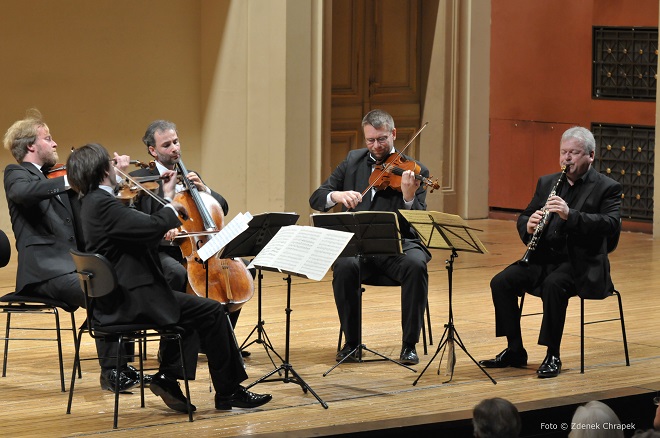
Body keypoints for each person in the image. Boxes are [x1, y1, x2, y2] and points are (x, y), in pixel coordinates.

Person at [66, 143, 271, 412]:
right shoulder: (102, 204)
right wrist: (172, 206)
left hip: (123, 296)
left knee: (191, 314)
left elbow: (134, 230)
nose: (115, 166)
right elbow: (151, 225)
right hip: (132, 299)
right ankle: (228, 391)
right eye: (110, 163)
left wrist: (161, 201)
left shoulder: (94, 201)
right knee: (211, 311)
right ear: (103, 170)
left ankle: (168, 378)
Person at [2, 109, 142, 392]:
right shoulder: (16, 174)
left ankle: (121, 364)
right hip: (44, 273)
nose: (54, 144)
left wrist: (112, 178)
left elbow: (96, 211)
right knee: (102, 292)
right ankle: (111, 372)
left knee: (123, 285)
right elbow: (23, 194)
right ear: (31, 146)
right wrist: (71, 179)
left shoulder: (55, 180)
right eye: (48, 138)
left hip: (72, 267)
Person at [479, 126, 621, 378]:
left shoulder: (607, 187)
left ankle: (552, 354)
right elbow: (524, 215)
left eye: (574, 153)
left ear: (590, 155)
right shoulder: (548, 182)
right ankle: (515, 349)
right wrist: (529, 225)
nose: (567, 158)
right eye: (563, 152)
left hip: (582, 264)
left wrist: (570, 215)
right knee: (501, 282)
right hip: (543, 258)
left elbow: (611, 225)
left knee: (554, 286)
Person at [309, 109, 432, 365]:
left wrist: (409, 197)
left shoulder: (414, 171)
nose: (375, 146)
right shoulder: (353, 160)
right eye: (370, 140)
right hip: (359, 247)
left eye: (382, 139)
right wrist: (338, 196)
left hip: (397, 247)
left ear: (394, 134)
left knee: (416, 264)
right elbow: (318, 197)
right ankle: (352, 343)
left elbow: (419, 224)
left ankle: (409, 344)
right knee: (344, 266)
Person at [130, 120, 250, 357]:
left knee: (242, 271)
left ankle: (214, 340)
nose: (175, 148)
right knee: (177, 274)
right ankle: (171, 347)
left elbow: (221, 208)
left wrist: (205, 189)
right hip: (160, 251)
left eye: (176, 141)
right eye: (167, 145)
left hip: (196, 249)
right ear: (153, 151)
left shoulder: (190, 176)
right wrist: (163, 229)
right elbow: (137, 219)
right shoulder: (142, 180)